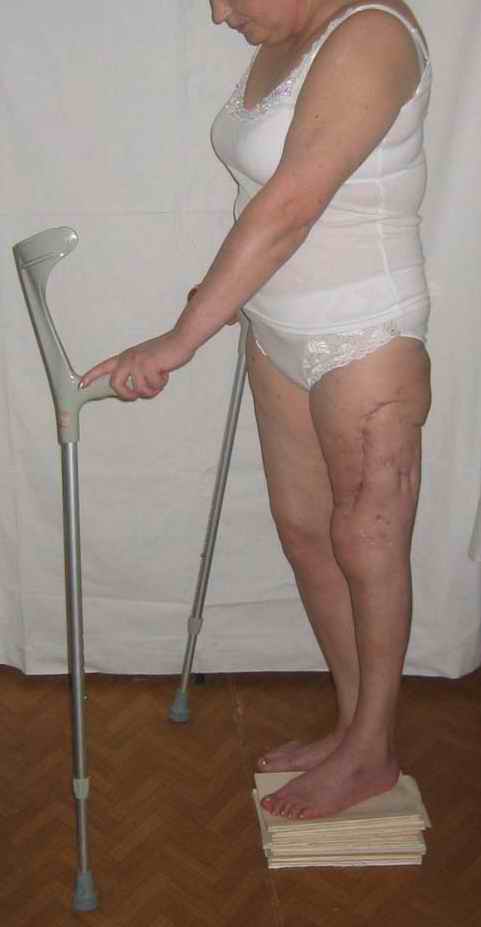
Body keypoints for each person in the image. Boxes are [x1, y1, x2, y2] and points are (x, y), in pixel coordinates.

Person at [80, 0, 432, 821]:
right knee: (306, 531)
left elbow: (290, 207)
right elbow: (262, 197)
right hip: (275, 322)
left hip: (363, 333)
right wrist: (223, 296)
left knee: (367, 542)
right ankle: (353, 726)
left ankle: (372, 752)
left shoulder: (371, 33)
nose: (218, 12)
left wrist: (181, 337)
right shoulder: (287, 37)